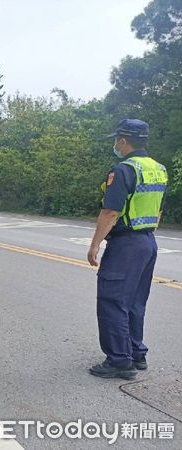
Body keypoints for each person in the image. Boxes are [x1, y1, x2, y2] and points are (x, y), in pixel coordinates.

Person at [87, 119, 167, 380]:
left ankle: (120, 360)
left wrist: (95, 243)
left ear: (123, 140)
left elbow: (111, 211)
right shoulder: (158, 169)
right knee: (134, 300)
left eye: (116, 139)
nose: (115, 144)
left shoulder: (123, 170)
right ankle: (136, 352)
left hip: (126, 245)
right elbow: (158, 210)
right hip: (147, 242)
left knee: (112, 300)